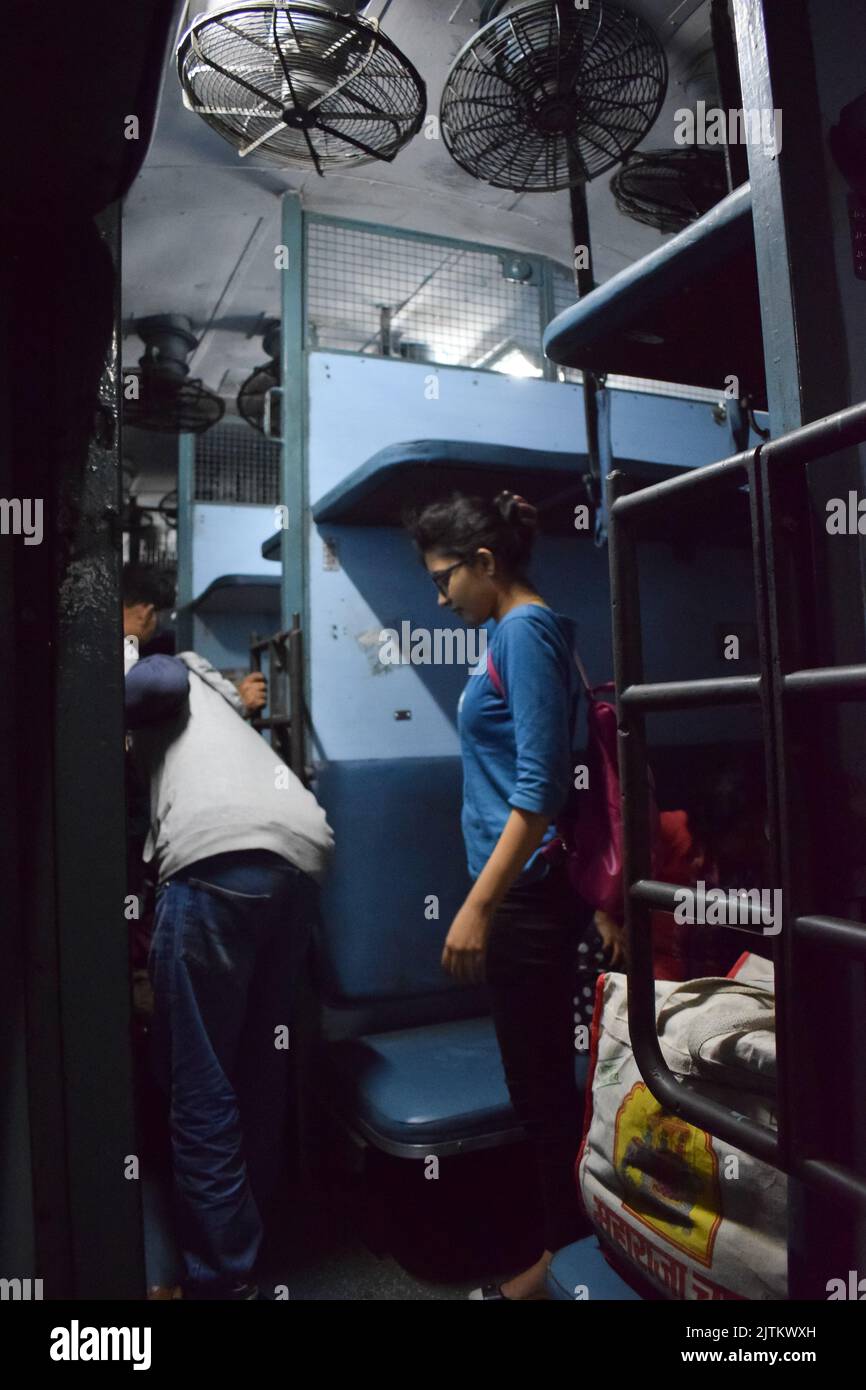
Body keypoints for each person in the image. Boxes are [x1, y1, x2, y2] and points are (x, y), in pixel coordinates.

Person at [122, 565, 334, 1300]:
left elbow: (151, 690)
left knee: (201, 1085)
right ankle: (253, 1243)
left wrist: (116, 664)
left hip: (214, 859)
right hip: (300, 853)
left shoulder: (152, 667)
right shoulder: (210, 684)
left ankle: (224, 1284)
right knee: (255, 1068)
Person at [405, 491, 591, 1301]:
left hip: (526, 896)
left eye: (444, 579)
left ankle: (562, 1262)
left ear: (485, 564)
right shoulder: (501, 633)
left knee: (545, 1090)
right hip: (517, 891)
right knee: (537, 1084)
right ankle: (562, 1250)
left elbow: (541, 786)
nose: (438, 598)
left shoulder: (524, 631)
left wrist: (479, 905)